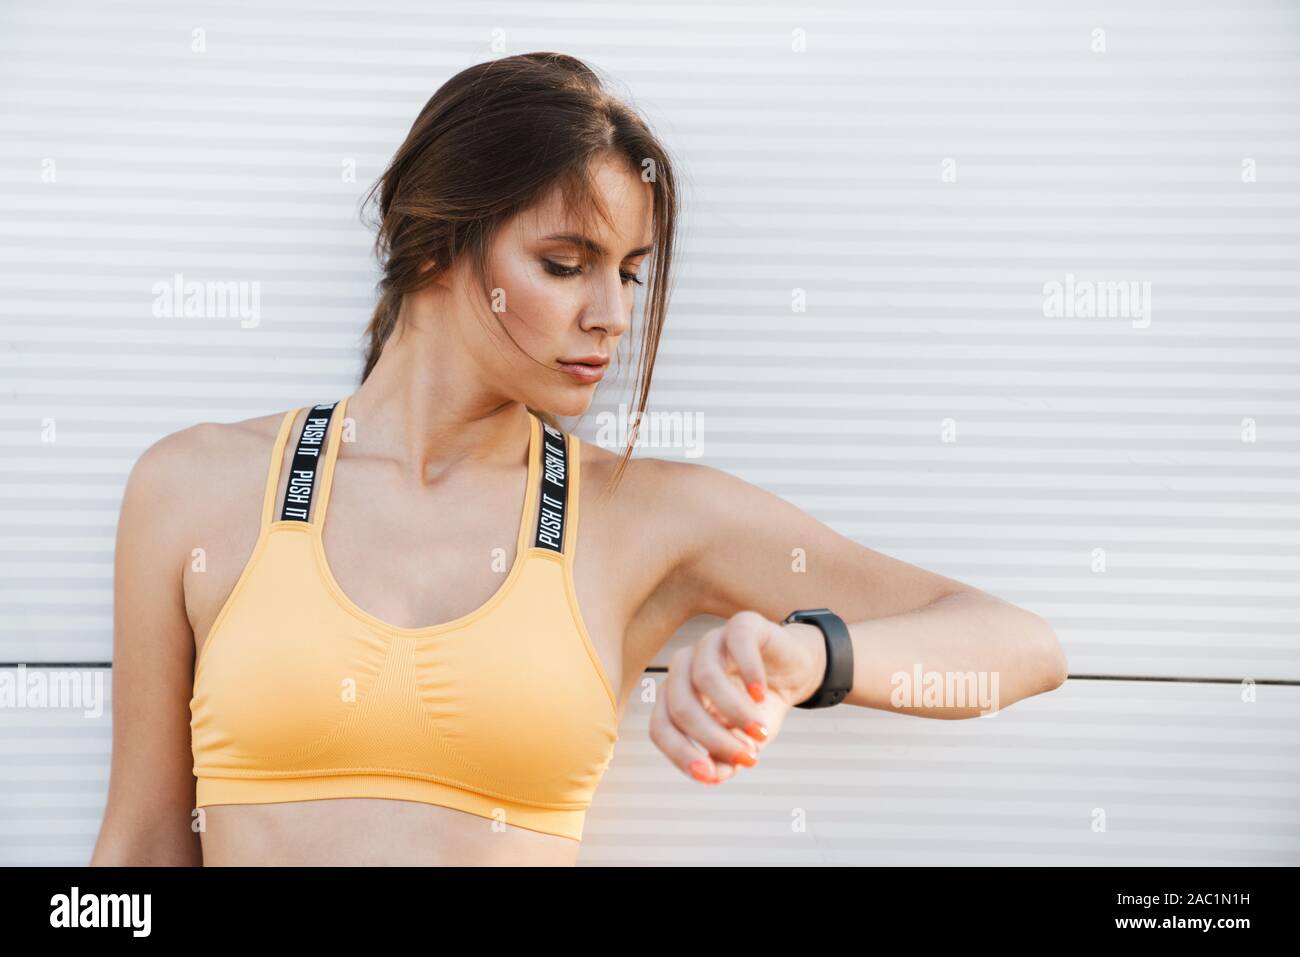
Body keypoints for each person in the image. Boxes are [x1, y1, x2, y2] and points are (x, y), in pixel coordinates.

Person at [91, 52, 1067, 867]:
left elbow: (1019, 647)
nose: (610, 316)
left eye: (629, 274)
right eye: (564, 265)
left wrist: (808, 654)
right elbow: (138, 849)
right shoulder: (195, 489)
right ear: (434, 245)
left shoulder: (640, 518)